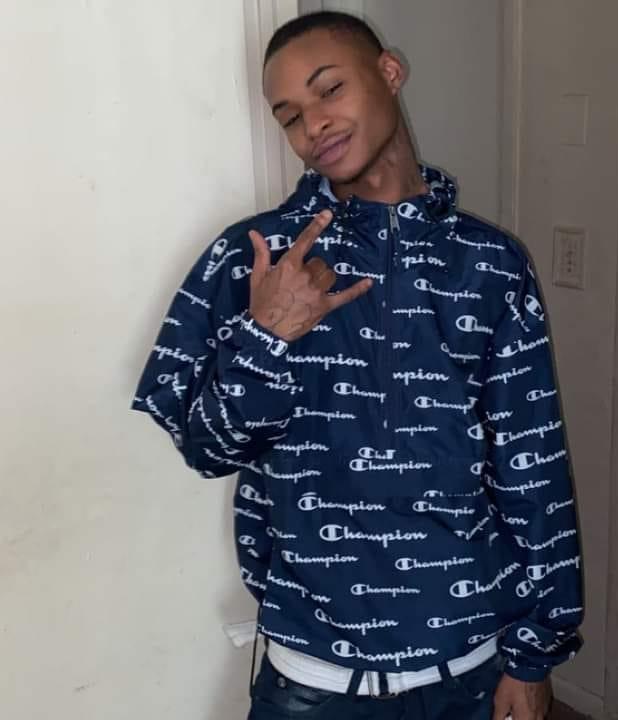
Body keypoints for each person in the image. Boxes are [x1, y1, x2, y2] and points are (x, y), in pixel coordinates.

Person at [132, 11, 583, 720]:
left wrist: (535, 654)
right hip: (311, 679)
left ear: (389, 72)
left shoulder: (491, 264)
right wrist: (266, 336)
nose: (313, 123)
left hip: (469, 670)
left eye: (329, 89)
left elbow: (534, 470)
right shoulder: (252, 258)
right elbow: (206, 449)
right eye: (289, 116)